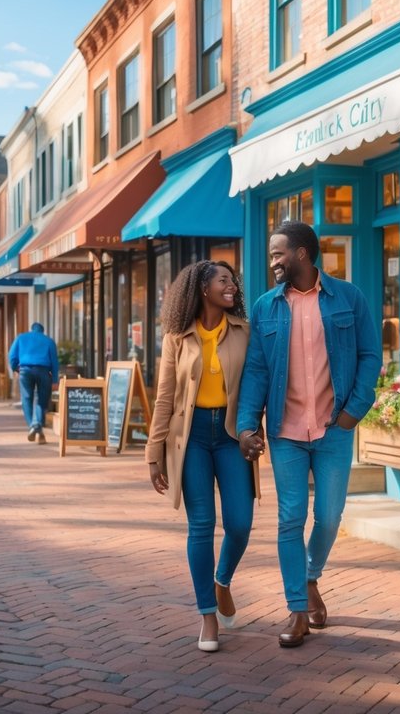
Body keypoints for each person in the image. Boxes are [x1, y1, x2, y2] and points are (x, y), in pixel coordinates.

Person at [237, 221, 381, 648]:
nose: (273, 262)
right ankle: (297, 608)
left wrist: (355, 410)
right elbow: (257, 370)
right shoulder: (266, 307)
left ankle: (311, 576)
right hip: (286, 431)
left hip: (335, 427)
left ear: (302, 254)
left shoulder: (349, 298)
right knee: (290, 518)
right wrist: (248, 423)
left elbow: (370, 355)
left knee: (331, 516)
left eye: (278, 253)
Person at [147, 260, 256, 653]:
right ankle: (207, 615)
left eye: (232, 281)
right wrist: (152, 453)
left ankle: (221, 580)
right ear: (203, 289)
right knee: (202, 525)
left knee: (241, 523)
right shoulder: (178, 336)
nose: (231, 286)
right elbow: (164, 398)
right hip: (190, 438)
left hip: (230, 436)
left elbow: (256, 383)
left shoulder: (245, 331)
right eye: (223, 281)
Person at [7, 322, 59, 445]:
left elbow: (11, 356)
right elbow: (55, 362)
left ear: (31, 329)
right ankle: (37, 425)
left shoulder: (21, 338)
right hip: (44, 372)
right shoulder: (49, 341)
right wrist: (55, 380)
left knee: (26, 398)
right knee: (42, 399)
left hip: (25, 370)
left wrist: (16, 368)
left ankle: (33, 425)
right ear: (42, 331)